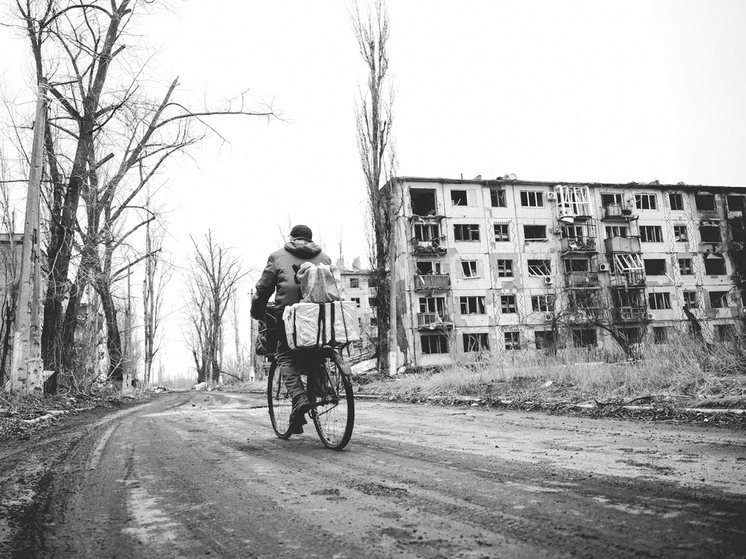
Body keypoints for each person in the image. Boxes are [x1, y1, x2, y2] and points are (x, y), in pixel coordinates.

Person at [250, 225, 332, 434]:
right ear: (310, 239)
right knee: (317, 354)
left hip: (289, 319)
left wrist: (257, 311)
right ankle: (315, 396)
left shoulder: (277, 257)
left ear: (292, 238)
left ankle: (300, 397)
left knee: (285, 356)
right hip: (320, 320)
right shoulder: (325, 259)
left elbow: (263, 289)